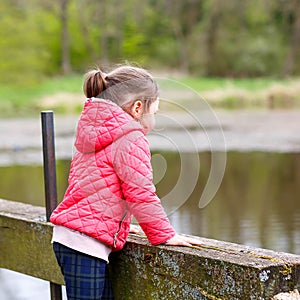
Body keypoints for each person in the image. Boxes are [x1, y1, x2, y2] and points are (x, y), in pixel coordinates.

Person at [50, 65, 202, 300]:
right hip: (84, 244)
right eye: (154, 112)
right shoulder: (130, 138)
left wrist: (117, 222)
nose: (154, 120)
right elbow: (140, 193)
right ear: (138, 108)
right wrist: (164, 235)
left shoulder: (93, 131)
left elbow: (95, 186)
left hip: (71, 238)